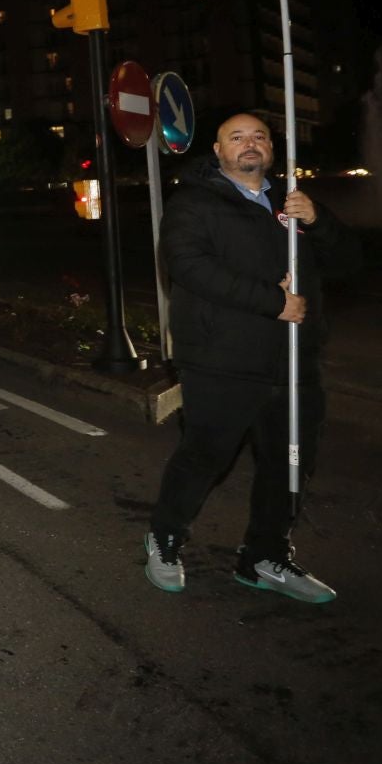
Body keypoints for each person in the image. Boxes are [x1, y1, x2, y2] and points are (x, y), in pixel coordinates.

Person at [145, 107, 360, 603]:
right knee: (205, 457)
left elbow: (350, 263)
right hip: (221, 358)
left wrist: (320, 221)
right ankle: (166, 537)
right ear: (218, 151)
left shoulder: (293, 204)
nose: (249, 144)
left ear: (271, 148)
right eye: (236, 137)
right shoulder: (195, 203)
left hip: (293, 361)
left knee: (289, 463)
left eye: (259, 136)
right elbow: (188, 265)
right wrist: (272, 300)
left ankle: (265, 556)